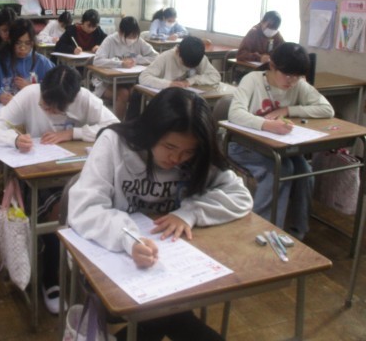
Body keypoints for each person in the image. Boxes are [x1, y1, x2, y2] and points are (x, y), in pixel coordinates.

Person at [68, 88, 252, 340]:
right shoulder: (114, 143)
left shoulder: (195, 157)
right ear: (151, 131)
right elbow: (85, 207)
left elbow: (240, 195)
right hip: (112, 255)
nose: (176, 158)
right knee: (167, 312)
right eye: (169, 146)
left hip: (172, 262)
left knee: (166, 310)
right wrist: (128, 238)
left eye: (187, 151)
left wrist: (190, 212)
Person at [0, 65, 119, 314]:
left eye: (55, 109)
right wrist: (14, 139)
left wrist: (73, 133)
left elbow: (114, 127)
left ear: (71, 101)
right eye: (45, 104)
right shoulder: (30, 94)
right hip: (38, 175)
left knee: (102, 204)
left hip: (75, 173)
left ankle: (90, 268)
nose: (47, 110)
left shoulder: (84, 99)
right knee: (59, 210)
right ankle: (51, 275)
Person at [228, 42, 334, 239]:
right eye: (287, 75)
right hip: (243, 145)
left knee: (305, 172)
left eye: (297, 76)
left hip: (279, 148)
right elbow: (234, 114)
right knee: (281, 171)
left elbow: (327, 109)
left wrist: (288, 110)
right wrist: (266, 125)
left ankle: (298, 231)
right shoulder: (253, 80)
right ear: (272, 66)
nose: (292, 81)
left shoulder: (298, 85)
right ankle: (262, 232)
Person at [0, 18, 55, 105]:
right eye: (18, 43)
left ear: (33, 43)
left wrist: (33, 88)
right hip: (4, 110)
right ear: (10, 40)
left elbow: (57, 88)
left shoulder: (42, 62)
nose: (22, 48)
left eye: (27, 43)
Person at [93, 16, 158, 119]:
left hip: (129, 80)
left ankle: (131, 123)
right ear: (120, 32)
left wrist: (137, 59)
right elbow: (97, 61)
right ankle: (117, 124)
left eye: (135, 35)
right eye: (129, 36)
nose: (132, 39)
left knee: (137, 92)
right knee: (123, 93)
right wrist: (120, 63)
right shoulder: (110, 40)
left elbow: (156, 57)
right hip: (106, 82)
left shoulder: (138, 41)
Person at [138, 35, 221, 89]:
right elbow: (143, 77)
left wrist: (192, 80)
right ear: (178, 51)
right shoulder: (165, 57)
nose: (187, 68)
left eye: (191, 67)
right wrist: (169, 84)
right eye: (184, 64)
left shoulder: (198, 56)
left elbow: (215, 77)